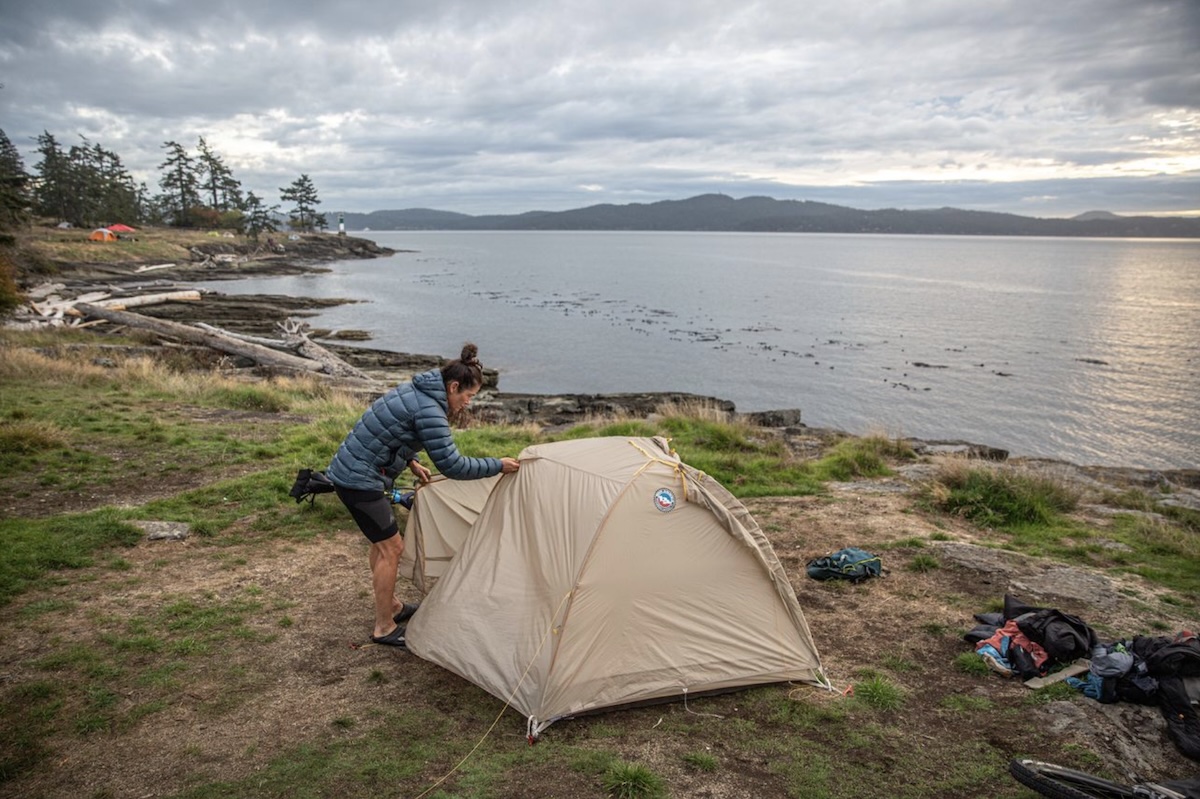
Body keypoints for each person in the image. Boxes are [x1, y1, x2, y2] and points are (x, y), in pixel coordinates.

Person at [326, 343, 520, 647]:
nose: (468, 403)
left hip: (352, 472)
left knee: (382, 546)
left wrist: (411, 461)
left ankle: (391, 607)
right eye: (468, 396)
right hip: (357, 481)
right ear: (454, 386)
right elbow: (453, 465)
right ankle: (384, 627)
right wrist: (497, 466)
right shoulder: (431, 410)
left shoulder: (418, 392)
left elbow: (388, 431)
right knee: (392, 548)